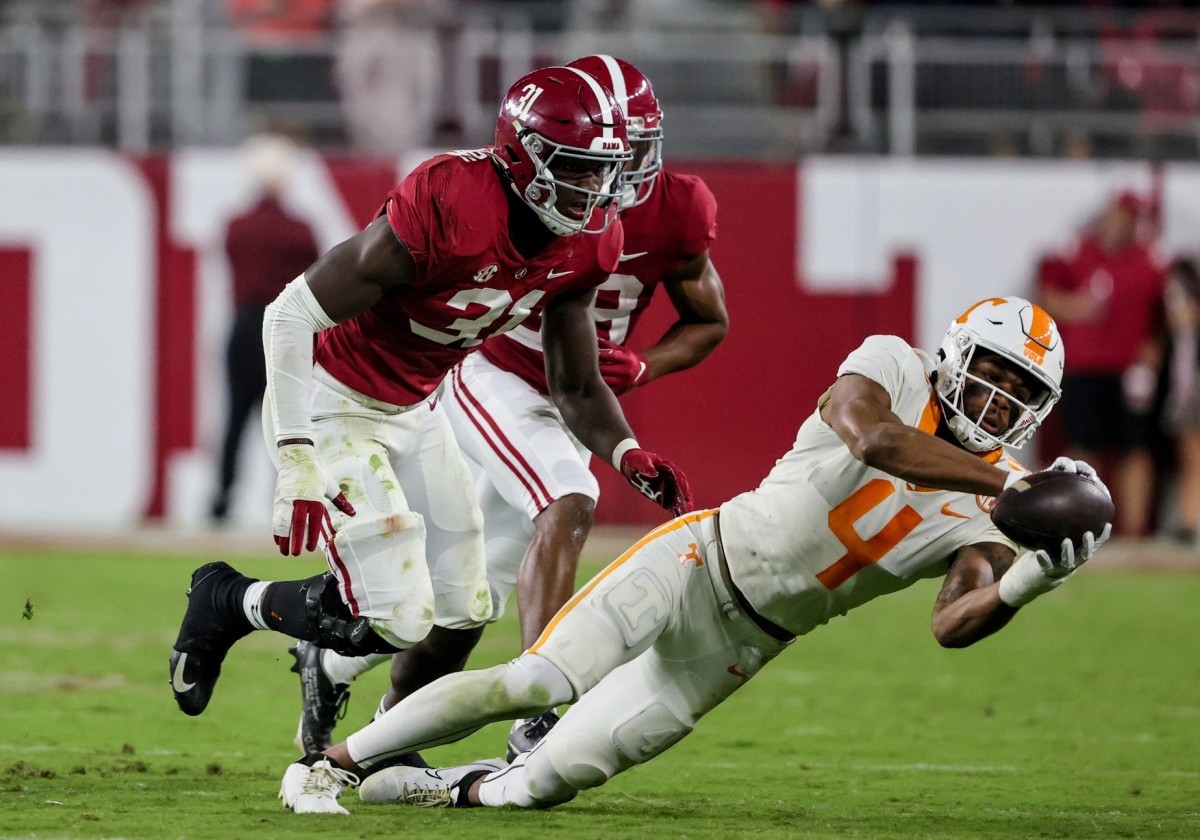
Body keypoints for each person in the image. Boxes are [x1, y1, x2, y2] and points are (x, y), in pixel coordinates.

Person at [274, 296, 1113, 815]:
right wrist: (1004, 486)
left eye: (1020, 394)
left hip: (746, 645)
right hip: (699, 560)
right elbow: (873, 436)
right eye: (993, 375)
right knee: (537, 681)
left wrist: (1031, 580)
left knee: (547, 783)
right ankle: (328, 766)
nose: (999, 401)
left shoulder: (989, 506)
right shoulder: (895, 367)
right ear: (957, 356)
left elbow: (953, 621)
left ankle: (450, 786)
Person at [168, 66, 694, 737]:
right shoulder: (449, 199)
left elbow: (576, 382)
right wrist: (297, 455)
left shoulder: (593, 238)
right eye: (580, 169)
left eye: (607, 170)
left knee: (465, 610)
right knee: (397, 616)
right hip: (335, 397)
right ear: (526, 155)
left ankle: (386, 742)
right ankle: (228, 599)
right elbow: (289, 315)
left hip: (416, 407)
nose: (598, 189)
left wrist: (625, 452)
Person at [287, 54, 728, 761]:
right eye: (597, 156)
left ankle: (366, 707)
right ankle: (544, 705)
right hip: (496, 373)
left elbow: (702, 324)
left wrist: (643, 368)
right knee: (569, 497)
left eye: (630, 151)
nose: (613, 172)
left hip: (572, 393)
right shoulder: (502, 197)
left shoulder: (665, 214)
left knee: (476, 593)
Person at [1038, 189, 1165, 537]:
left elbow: (1164, 313)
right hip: (1084, 365)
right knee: (1082, 447)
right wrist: (1075, 308)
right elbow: (1047, 295)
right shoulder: (1076, 251)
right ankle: (1081, 524)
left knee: (1135, 448)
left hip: (1131, 370)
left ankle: (1135, 533)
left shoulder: (1149, 259)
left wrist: (1156, 345)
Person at [210, 133, 320, 523]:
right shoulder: (300, 231)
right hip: (284, 332)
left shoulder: (236, 227)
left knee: (235, 418)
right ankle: (286, 501)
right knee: (286, 419)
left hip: (243, 327)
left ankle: (221, 499)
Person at [1160, 257, 1200, 544]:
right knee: (1188, 456)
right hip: (1185, 391)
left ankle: (1190, 519)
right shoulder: (1181, 339)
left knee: (1193, 456)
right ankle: (1188, 519)